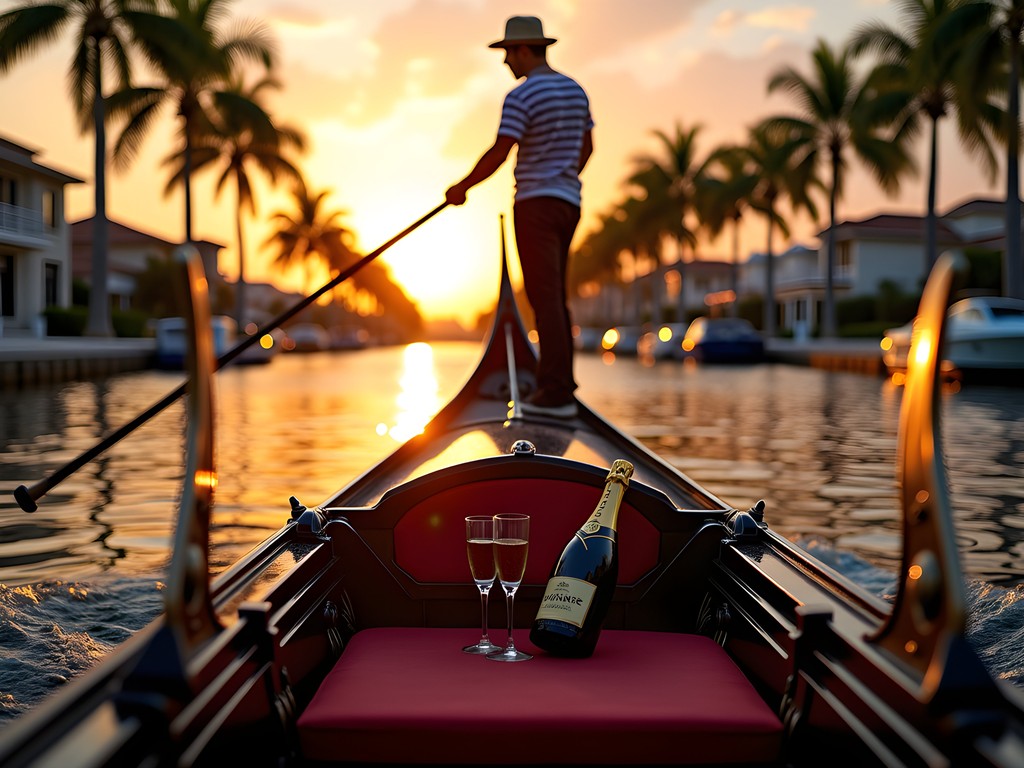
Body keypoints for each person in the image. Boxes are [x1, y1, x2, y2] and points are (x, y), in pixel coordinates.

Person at [445, 15, 593, 419]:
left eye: (509, 53)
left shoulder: (522, 96)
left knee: (543, 297)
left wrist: (462, 187)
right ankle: (561, 382)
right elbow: (587, 147)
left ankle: (556, 392)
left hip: (535, 204)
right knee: (555, 296)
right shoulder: (576, 91)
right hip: (568, 203)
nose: (506, 62)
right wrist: (562, 176)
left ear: (525, 49)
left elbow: (500, 150)